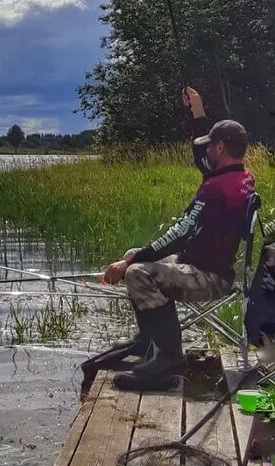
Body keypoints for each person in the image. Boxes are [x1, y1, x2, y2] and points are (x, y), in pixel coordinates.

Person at [101, 85, 255, 391]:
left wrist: (128, 261)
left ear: (221, 148)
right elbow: (202, 156)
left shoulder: (215, 189)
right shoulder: (241, 178)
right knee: (138, 256)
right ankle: (148, 344)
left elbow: (178, 235)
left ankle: (169, 358)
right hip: (210, 265)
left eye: (212, 144)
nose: (206, 149)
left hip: (208, 277)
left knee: (137, 272)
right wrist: (196, 111)